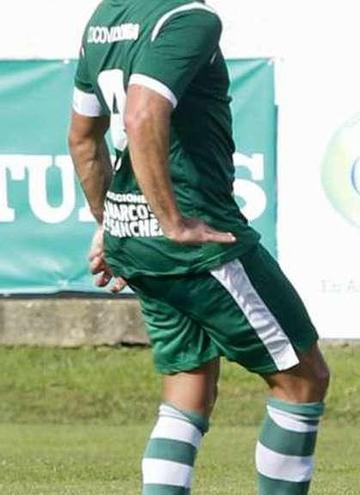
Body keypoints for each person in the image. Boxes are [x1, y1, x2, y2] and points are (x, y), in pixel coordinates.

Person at [67, 1, 329, 493]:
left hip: (135, 240)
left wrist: (112, 224)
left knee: (188, 388)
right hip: (194, 246)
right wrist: (172, 222)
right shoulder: (189, 18)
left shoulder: (105, 18)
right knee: (302, 379)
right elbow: (143, 113)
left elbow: (84, 139)